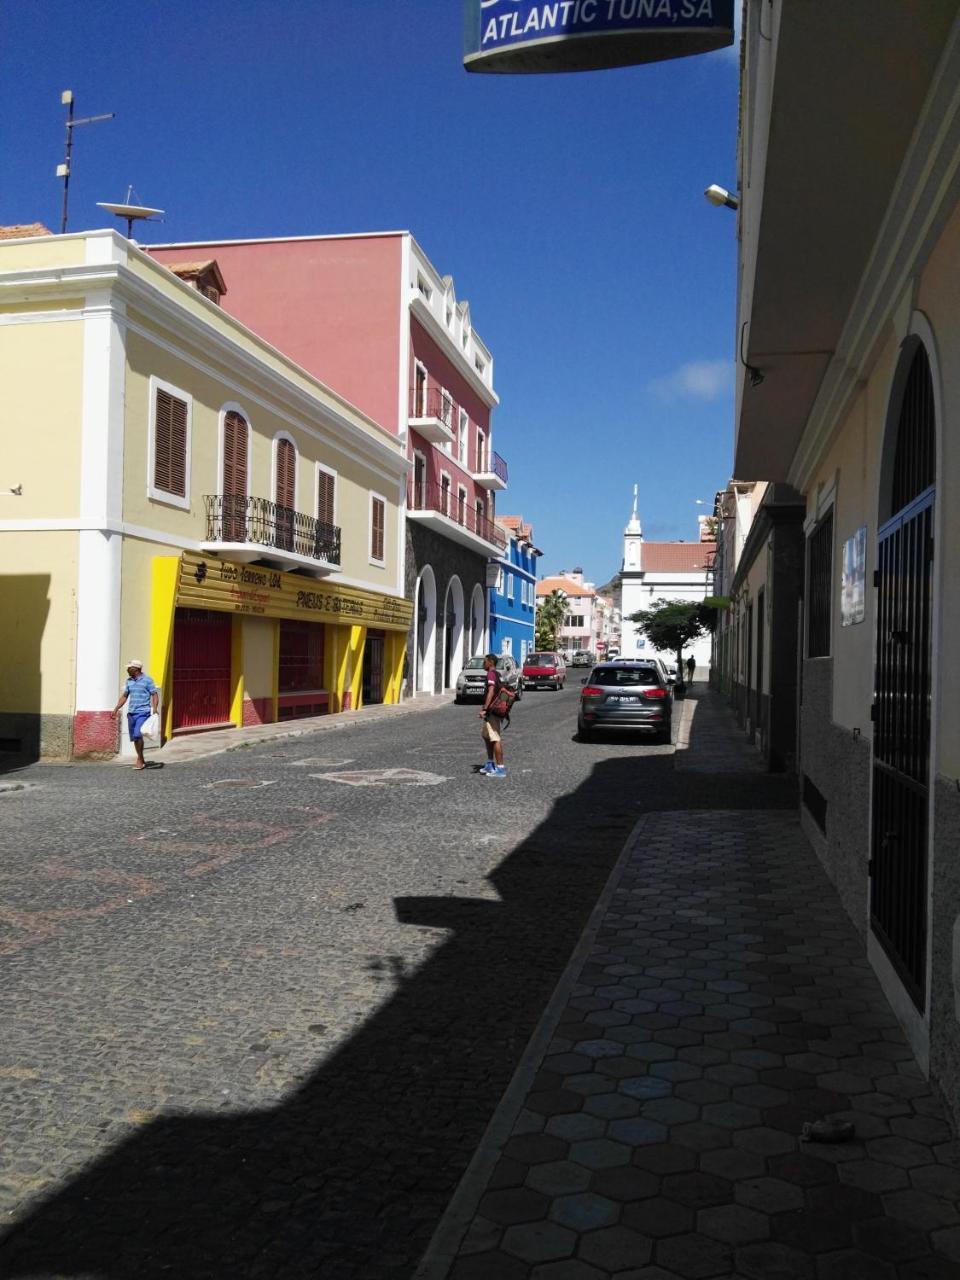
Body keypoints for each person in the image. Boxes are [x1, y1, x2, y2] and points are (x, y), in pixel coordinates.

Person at [113, 660, 159, 770]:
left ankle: (139, 759)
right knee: (135, 737)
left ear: (136, 669)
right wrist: (116, 708)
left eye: (129, 668)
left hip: (143, 712)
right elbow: (125, 696)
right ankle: (141, 758)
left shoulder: (147, 680)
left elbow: (154, 694)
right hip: (131, 713)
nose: (127, 670)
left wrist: (155, 708)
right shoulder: (129, 681)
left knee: (138, 734)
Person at [478, 653, 506, 778]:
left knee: (495, 738)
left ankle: (500, 769)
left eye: (485, 662)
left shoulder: (491, 674)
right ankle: (490, 763)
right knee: (486, 735)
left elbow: (491, 691)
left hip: (492, 711)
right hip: (492, 711)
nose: (483, 664)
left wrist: (485, 708)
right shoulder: (497, 674)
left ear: (491, 662)